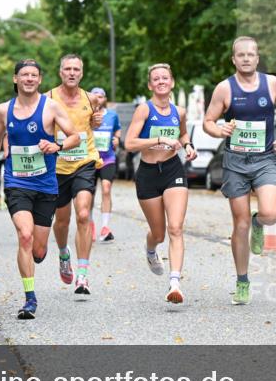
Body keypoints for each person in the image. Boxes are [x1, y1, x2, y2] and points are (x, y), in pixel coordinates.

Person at [0, 59, 80, 319]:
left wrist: (57, 146)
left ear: (40, 80)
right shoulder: (4, 110)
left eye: (34, 75)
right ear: (15, 79)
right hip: (17, 183)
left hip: (46, 185)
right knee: (24, 236)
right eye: (24, 75)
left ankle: (54, 253)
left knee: (38, 250)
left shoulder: (51, 108)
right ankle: (29, 298)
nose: (29, 79)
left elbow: (75, 136)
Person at [202, 36, 276, 305]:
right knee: (238, 224)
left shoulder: (271, 83)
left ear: (257, 57)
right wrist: (218, 130)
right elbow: (208, 121)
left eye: (250, 54)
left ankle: (259, 223)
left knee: (270, 213)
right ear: (234, 59)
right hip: (236, 161)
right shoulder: (224, 89)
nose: (245, 58)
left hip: (265, 158)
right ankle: (242, 280)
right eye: (240, 55)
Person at [124, 63, 197, 304]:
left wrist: (187, 145)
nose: (161, 81)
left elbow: (183, 133)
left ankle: (174, 282)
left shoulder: (180, 111)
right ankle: (151, 249)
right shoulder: (144, 110)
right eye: (156, 79)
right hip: (147, 173)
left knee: (176, 227)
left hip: (172, 170)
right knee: (159, 232)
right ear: (150, 85)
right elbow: (130, 143)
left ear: (172, 82)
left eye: (165, 77)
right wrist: (158, 138)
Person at [46, 54, 104, 295]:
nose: (71, 73)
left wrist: (97, 122)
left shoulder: (91, 99)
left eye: (76, 69)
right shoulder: (48, 98)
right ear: (60, 72)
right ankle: (63, 253)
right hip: (58, 165)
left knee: (83, 214)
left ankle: (82, 274)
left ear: (82, 73)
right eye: (67, 69)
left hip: (85, 161)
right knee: (61, 221)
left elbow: (95, 124)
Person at [90, 86, 121, 243]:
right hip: (89, 160)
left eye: (101, 96)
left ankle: (105, 226)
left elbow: (117, 131)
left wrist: (117, 139)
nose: (98, 99)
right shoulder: (86, 115)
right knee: (88, 195)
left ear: (105, 99)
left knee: (106, 189)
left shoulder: (112, 116)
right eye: (95, 96)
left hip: (108, 158)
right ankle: (90, 225)